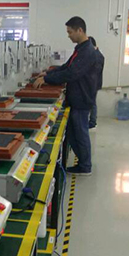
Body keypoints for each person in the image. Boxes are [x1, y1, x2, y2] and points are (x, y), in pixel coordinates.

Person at [33, 16, 97, 176]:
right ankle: (83, 163)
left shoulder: (87, 52)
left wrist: (47, 79)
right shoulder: (80, 49)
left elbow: (71, 73)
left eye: (70, 32)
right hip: (77, 97)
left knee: (80, 133)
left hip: (82, 98)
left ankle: (85, 166)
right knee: (75, 132)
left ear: (79, 30)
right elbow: (67, 66)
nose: (68, 35)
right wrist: (48, 73)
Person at [87, 36, 105, 130]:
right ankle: (92, 121)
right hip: (94, 83)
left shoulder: (97, 56)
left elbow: (95, 72)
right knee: (92, 102)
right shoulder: (97, 54)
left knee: (92, 103)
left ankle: (92, 122)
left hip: (93, 83)